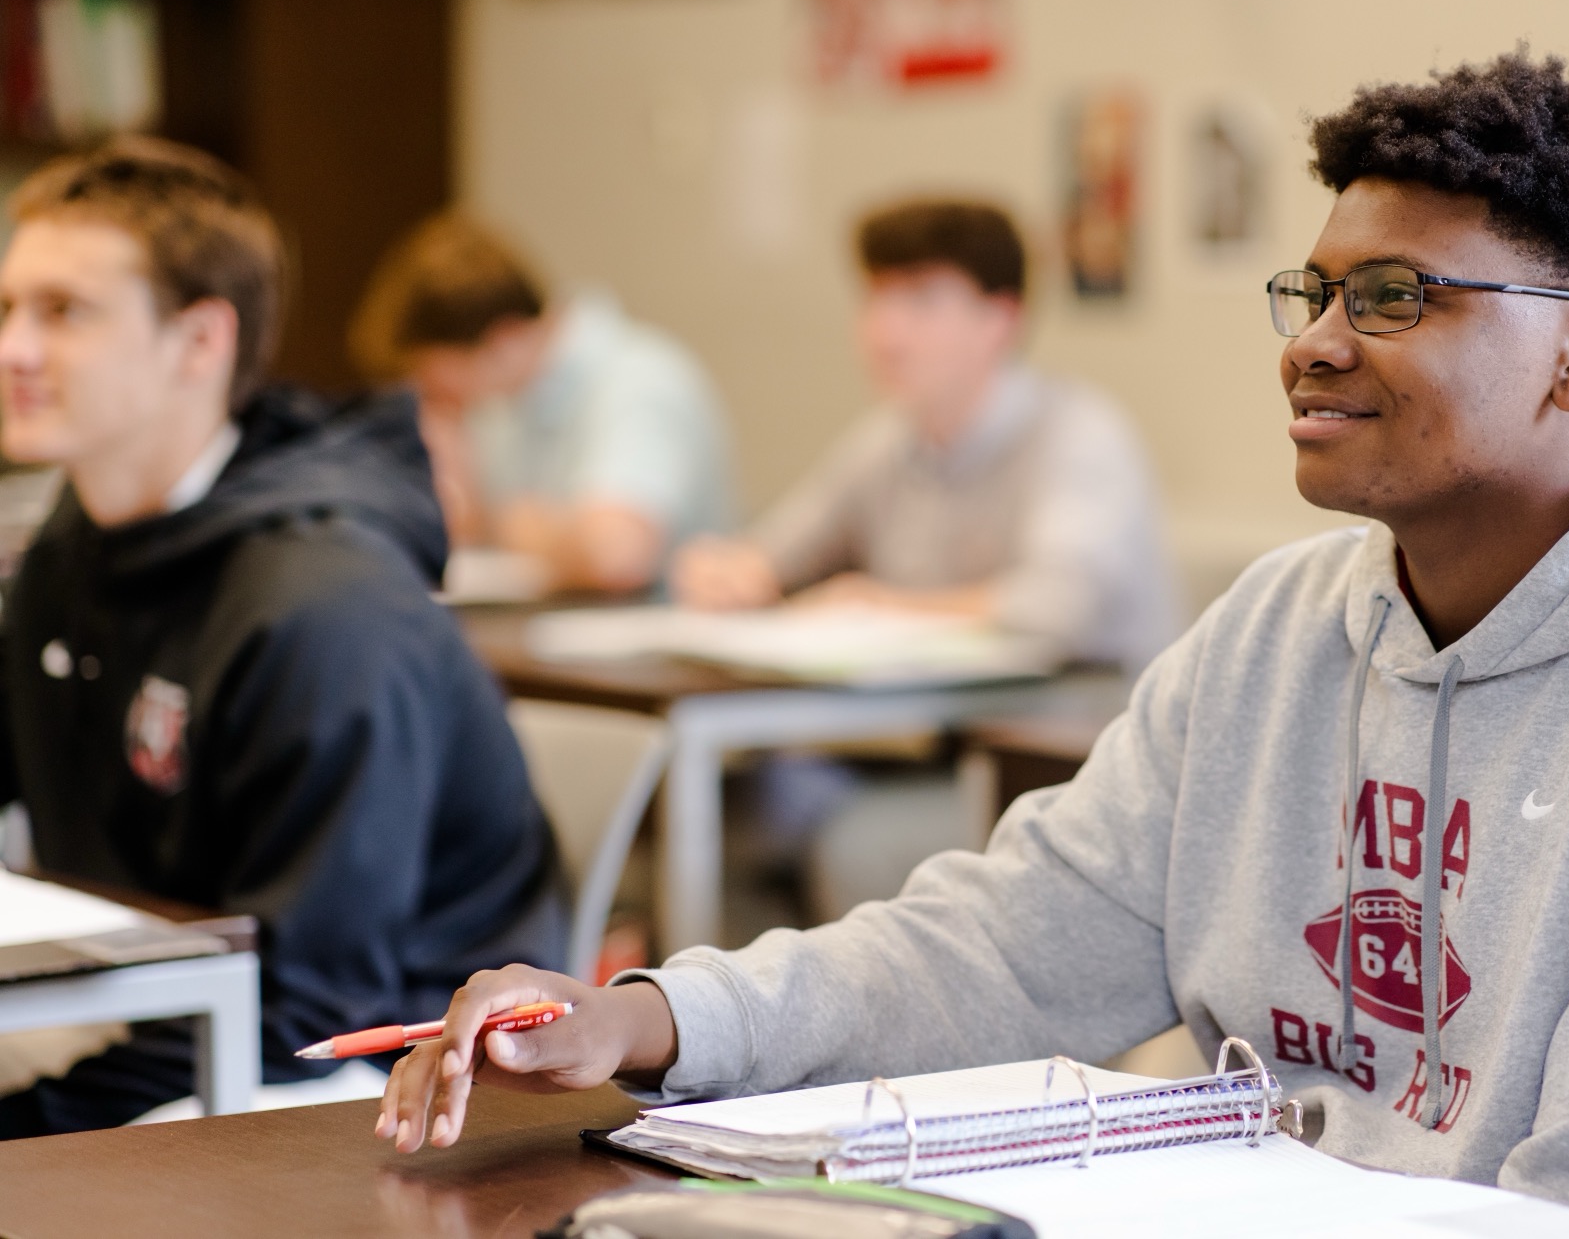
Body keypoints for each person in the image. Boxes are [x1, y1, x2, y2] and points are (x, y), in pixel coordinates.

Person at [378, 56, 1569, 1237]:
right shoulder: (1291, 626)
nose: (1315, 340)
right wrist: (659, 1019)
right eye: (1316, 286)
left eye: (1399, 295)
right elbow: (1020, 940)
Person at [0, 138, 565, 1136]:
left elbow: (316, 1006)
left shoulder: (323, 602)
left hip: (371, 1079)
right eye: (9, 307)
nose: (15, 349)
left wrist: (31, 1116)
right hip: (162, 1004)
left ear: (200, 342)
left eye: (65, 312)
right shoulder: (77, 546)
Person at [674, 198, 1177, 675]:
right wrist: (732, 574)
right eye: (876, 297)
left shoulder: (1080, 435)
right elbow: (776, 554)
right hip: (936, 735)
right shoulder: (888, 440)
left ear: (999, 319)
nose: (886, 333)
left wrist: (881, 608)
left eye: (921, 301)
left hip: (1071, 740)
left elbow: (1060, 606)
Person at [350, 212, 734, 594]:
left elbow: (616, 555)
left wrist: (513, 525)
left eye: (439, 380)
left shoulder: (643, 380)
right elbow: (467, 522)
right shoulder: (505, 404)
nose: (439, 396)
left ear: (503, 340)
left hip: (652, 644)